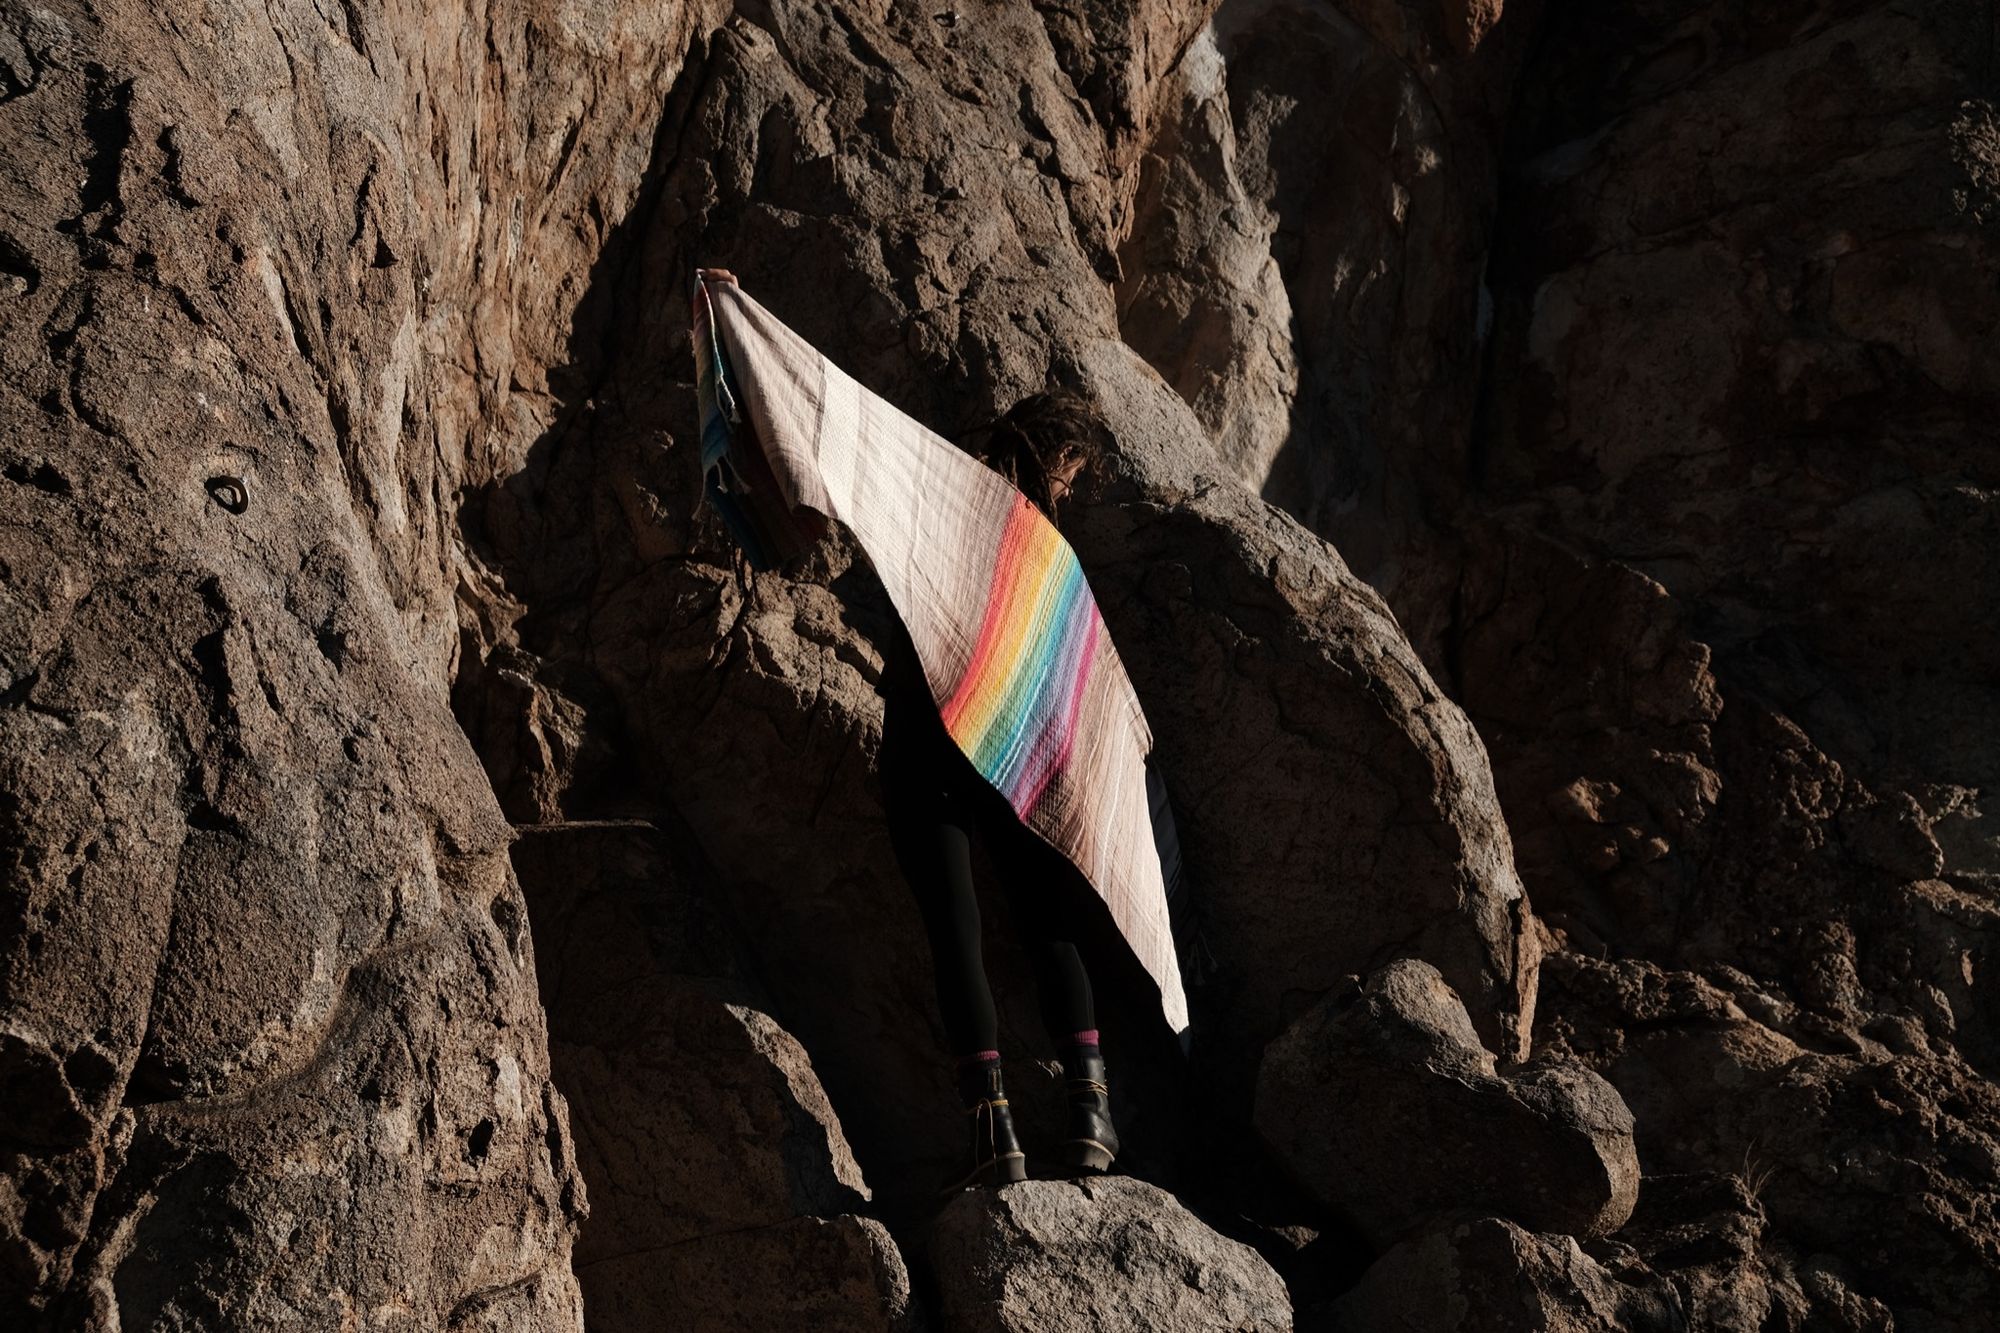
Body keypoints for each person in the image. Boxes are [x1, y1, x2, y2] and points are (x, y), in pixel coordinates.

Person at [694, 269, 1149, 1196]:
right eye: (1074, 474)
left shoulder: (941, 492)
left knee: (957, 934)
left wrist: (740, 323)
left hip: (922, 745)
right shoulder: (1050, 556)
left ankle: (995, 1133)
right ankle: (1092, 1110)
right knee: (1046, 917)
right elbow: (1085, 696)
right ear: (1055, 460)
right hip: (1006, 756)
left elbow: (843, 433)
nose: (1073, 490)